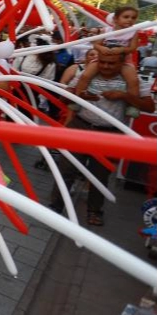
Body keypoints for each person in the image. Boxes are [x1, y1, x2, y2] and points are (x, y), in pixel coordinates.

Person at [52, 52, 146, 225]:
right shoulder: (85, 74)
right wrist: (80, 97)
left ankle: (94, 211)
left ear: (122, 63)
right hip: (80, 126)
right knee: (67, 168)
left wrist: (125, 96)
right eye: (102, 62)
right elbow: (64, 98)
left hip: (110, 134)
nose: (105, 66)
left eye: (111, 63)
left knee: (100, 174)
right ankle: (55, 206)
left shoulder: (133, 79)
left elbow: (148, 105)